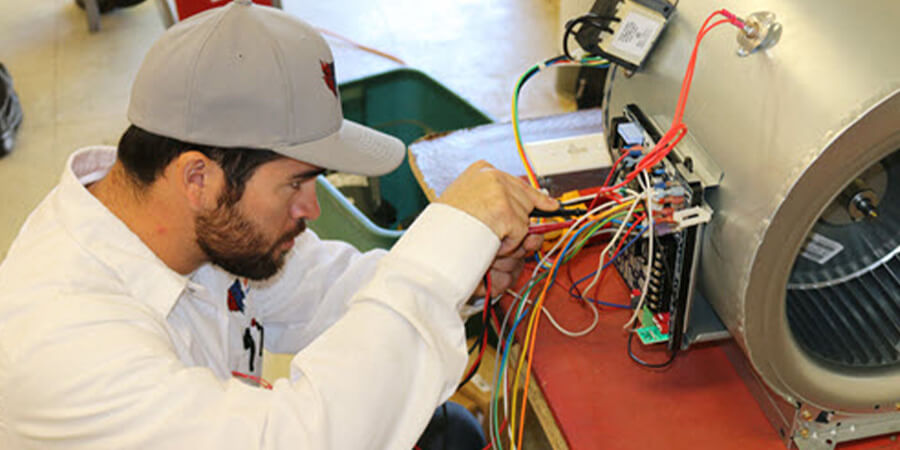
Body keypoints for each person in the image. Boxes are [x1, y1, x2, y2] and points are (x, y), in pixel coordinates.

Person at [0, 1, 557, 448]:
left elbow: (322, 288)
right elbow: (297, 437)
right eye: (296, 182)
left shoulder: (177, 223)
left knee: (449, 432)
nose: (313, 208)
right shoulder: (65, 344)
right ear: (198, 178)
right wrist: (437, 256)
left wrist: (468, 274)